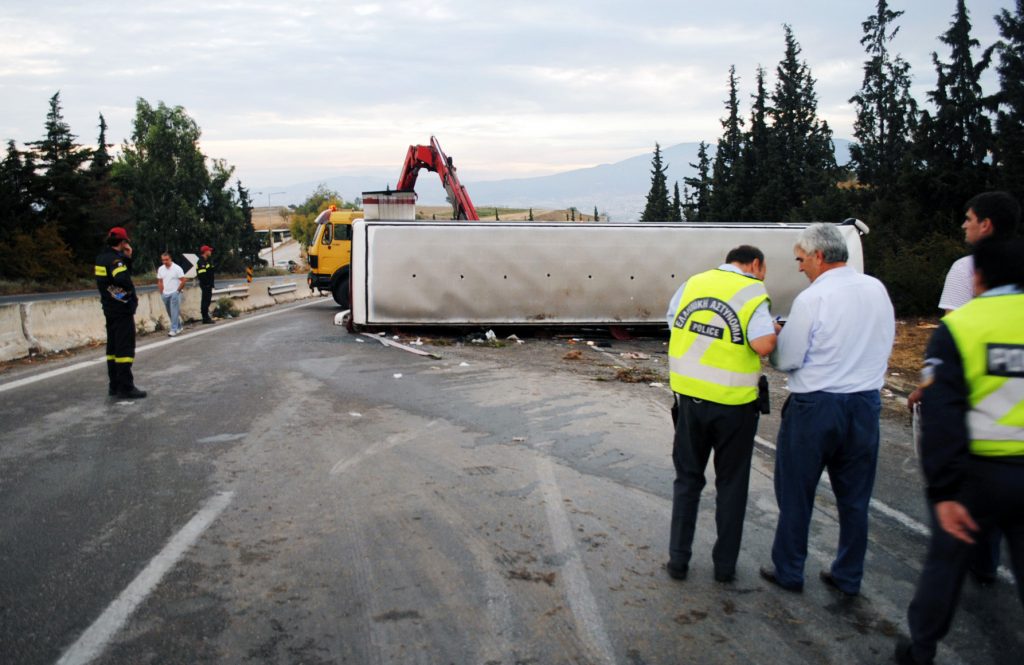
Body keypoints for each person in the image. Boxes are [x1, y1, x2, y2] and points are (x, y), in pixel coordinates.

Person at [895, 237, 1024, 665]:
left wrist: (944, 489)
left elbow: (943, 414)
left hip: (976, 474)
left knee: (945, 567)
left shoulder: (961, 326)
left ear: (978, 277)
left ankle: (921, 649)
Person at [760, 223, 894, 596]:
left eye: (801, 259)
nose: (800, 267)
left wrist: (776, 337)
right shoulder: (876, 289)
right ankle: (848, 574)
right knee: (854, 498)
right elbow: (884, 340)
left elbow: (787, 359)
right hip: (865, 404)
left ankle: (789, 569)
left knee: (796, 491)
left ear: (819, 256)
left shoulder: (812, 299)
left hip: (816, 407)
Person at [922, 191, 1021, 586]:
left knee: (959, 523)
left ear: (986, 225)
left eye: (968, 218)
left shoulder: (966, 268)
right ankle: (986, 561)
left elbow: (952, 327)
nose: (963, 224)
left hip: (978, 424)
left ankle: (925, 641)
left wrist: (929, 385)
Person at [665, 245, 777, 583]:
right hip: (734, 407)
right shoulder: (753, 291)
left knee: (687, 480)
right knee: (731, 485)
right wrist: (774, 330)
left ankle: (678, 561)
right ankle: (724, 567)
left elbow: (674, 323)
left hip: (690, 402)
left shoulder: (693, 283)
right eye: (764, 268)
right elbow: (763, 345)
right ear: (755, 263)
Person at [95, 227, 146, 399]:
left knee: (113, 349)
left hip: (108, 307)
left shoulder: (101, 258)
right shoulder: (116, 261)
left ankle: (114, 385)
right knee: (124, 349)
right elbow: (122, 279)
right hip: (121, 310)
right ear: (123, 242)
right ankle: (126, 387)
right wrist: (129, 299)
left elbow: (106, 285)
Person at [156, 252, 187, 337]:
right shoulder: (161, 269)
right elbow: (160, 281)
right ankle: (179, 326)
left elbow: (183, 280)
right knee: (170, 312)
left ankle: (173, 329)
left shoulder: (177, 268)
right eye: (163, 260)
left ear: (170, 259)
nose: (165, 262)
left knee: (174, 311)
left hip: (175, 293)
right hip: (165, 293)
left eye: (166, 260)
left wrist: (177, 291)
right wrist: (161, 292)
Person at [196, 244, 215, 324]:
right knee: (205, 301)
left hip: (209, 284)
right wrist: (207, 284)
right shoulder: (201, 262)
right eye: (209, 250)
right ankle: (205, 318)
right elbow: (202, 275)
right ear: (205, 251)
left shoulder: (207, 261)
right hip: (205, 285)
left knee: (207, 301)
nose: (210, 252)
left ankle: (206, 316)